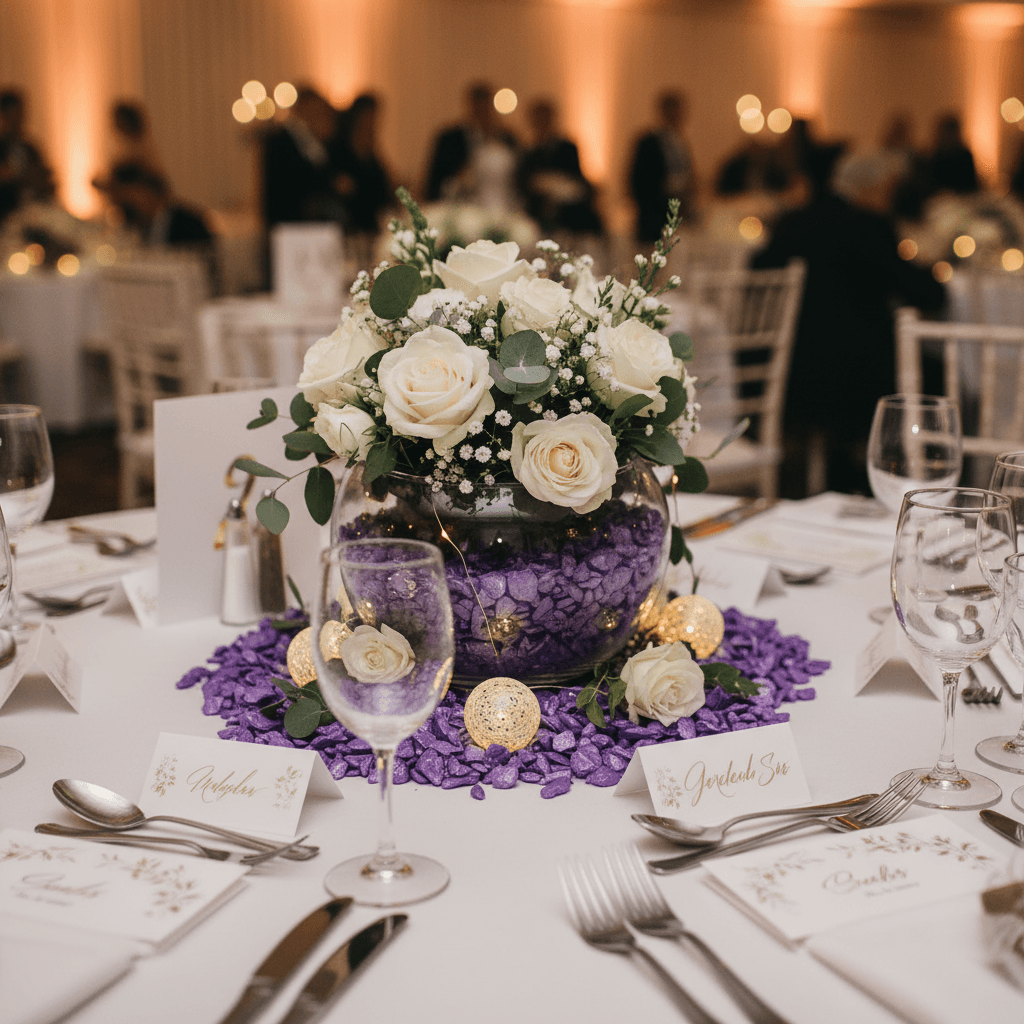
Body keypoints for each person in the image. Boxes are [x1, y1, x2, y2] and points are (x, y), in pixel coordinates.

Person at [752, 144, 946, 497]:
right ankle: (915, 476)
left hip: (791, 371)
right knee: (937, 370)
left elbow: (757, 275)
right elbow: (926, 293)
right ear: (870, 189)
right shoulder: (869, 225)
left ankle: (844, 467)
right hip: (858, 378)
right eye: (887, 190)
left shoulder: (792, 221)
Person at [424, 82, 519, 210]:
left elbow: (518, 178)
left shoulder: (507, 138)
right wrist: (458, 180)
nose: (482, 112)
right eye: (478, 107)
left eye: (485, 107)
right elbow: (433, 183)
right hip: (461, 206)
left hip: (502, 205)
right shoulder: (449, 139)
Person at [262, 87, 346, 228]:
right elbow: (290, 184)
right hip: (289, 221)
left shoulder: (316, 142)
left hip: (309, 222)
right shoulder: (281, 141)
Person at [516, 98, 602, 236]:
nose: (542, 123)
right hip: (539, 212)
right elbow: (524, 184)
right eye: (538, 120)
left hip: (569, 212)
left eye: (545, 119)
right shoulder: (529, 153)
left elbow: (576, 177)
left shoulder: (567, 148)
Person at [628, 90, 697, 242]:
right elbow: (637, 181)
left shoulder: (681, 142)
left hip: (678, 210)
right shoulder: (647, 143)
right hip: (654, 215)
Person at [331, 92, 392, 238]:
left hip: (372, 225)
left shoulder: (371, 151)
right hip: (349, 226)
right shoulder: (339, 148)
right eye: (368, 116)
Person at [0, 89, 52, 225]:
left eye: (20, 115)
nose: (18, 120)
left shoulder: (31, 149)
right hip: (6, 216)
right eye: (13, 115)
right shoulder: (3, 148)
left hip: (34, 214)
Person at [926, 113, 978, 195]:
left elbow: (971, 183)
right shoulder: (935, 156)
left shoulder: (964, 155)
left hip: (959, 197)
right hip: (942, 197)